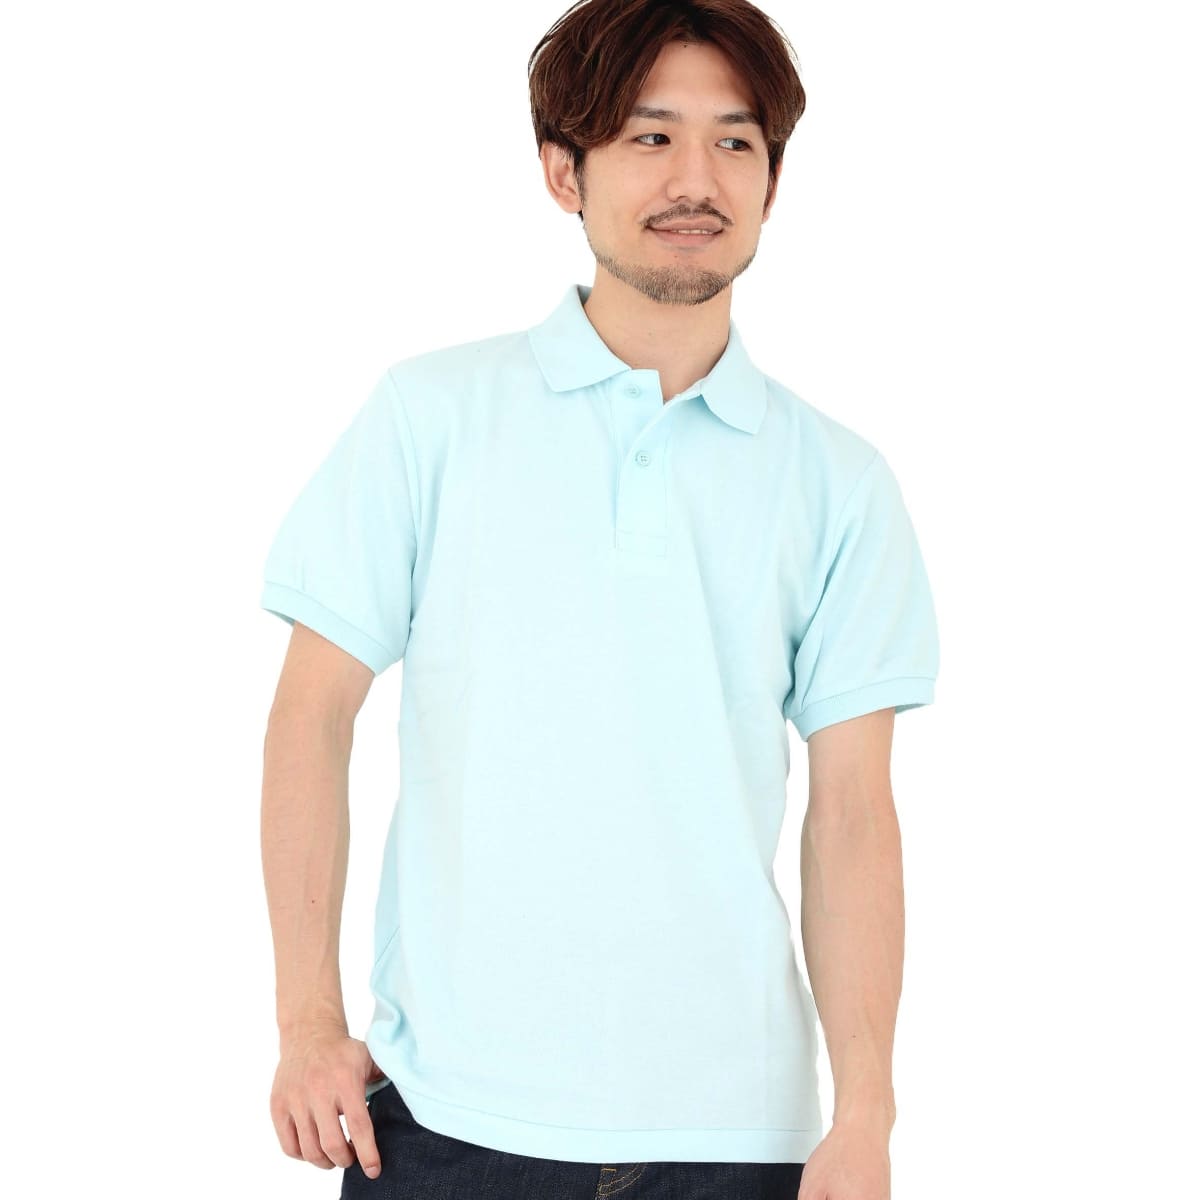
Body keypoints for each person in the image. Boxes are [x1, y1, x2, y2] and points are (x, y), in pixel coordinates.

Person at [259, 2, 939, 1198]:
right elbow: (312, 716)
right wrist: (307, 1022)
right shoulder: (431, 417)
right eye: (649, 136)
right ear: (562, 172)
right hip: (444, 1122)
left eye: (735, 141)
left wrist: (868, 1112)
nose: (696, 180)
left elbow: (852, 818)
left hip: (737, 1143)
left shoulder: (840, 483)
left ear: (774, 181)